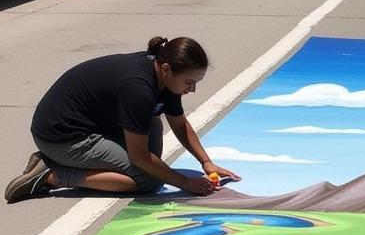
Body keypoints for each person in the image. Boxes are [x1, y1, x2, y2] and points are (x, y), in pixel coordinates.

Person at [5, 36, 241, 204]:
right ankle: (50, 175)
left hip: (94, 123)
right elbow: (140, 158)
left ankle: (78, 165)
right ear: (167, 69)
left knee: (152, 126)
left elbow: (179, 123)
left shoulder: (164, 75)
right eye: (189, 83)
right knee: (148, 181)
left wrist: (206, 163)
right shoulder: (138, 88)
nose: (193, 89)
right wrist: (184, 182)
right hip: (62, 136)